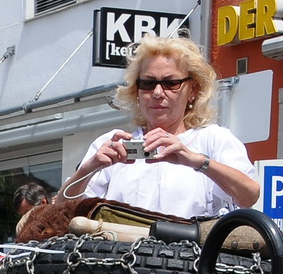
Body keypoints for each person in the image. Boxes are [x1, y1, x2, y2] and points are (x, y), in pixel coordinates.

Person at [58, 36, 260, 219]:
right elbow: (61, 210)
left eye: (171, 83)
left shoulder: (213, 139)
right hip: (122, 254)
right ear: (136, 90)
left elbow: (249, 196)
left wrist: (197, 161)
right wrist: (90, 167)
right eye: (147, 83)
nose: (157, 92)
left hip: (191, 255)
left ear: (193, 90)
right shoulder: (114, 143)